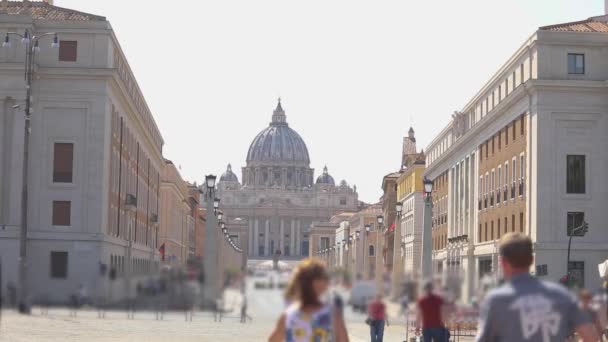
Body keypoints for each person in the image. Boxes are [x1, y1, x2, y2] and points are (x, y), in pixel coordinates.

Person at [475, 233, 598, 342]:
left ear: (503, 262)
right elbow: (590, 336)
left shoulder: (495, 300)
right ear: (532, 260)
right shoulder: (561, 294)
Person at [268, 258, 348, 342]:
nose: (327, 281)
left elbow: (272, 339)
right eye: (324, 277)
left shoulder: (288, 315)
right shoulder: (332, 315)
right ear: (316, 283)